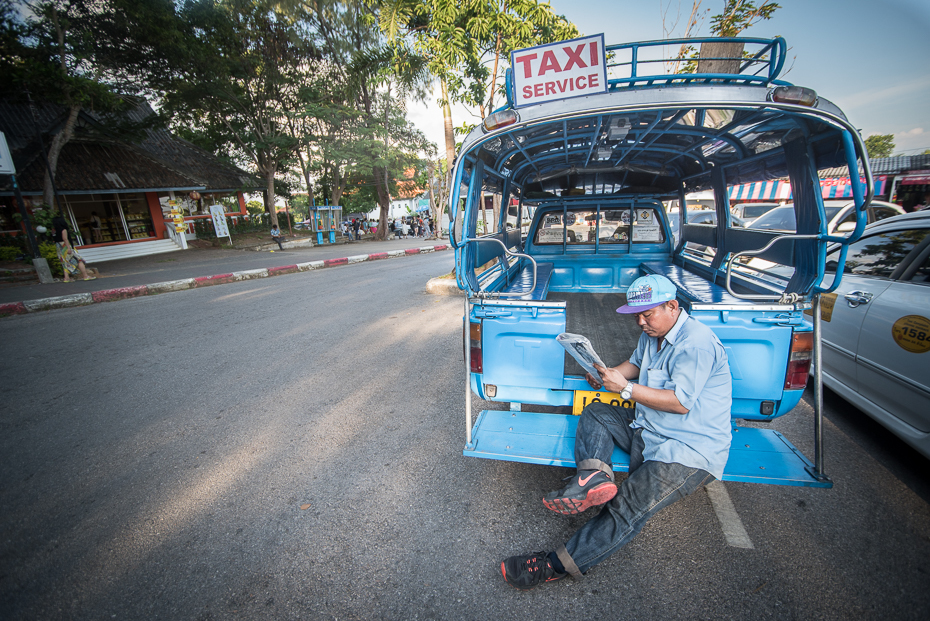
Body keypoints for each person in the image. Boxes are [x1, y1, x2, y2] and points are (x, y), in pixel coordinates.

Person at [500, 274, 732, 590]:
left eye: (647, 314)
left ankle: (552, 566)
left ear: (672, 306)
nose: (640, 322)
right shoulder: (655, 334)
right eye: (637, 315)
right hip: (648, 427)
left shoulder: (697, 344)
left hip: (687, 448)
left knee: (626, 507)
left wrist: (625, 388)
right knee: (597, 411)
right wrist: (607, 375)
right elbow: (635, 365)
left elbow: (679, 403)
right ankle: (593, 480)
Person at [53, 215, 94, 282]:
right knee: (79, 260)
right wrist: (69, 248)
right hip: (65, 246)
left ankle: (66, 278)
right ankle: (85, 276)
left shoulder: (54, 231)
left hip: (59, 248)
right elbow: (65, 239)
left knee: (64, 262)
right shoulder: (63, 230)